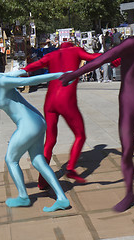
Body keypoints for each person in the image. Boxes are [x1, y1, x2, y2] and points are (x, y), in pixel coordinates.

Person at [59, 14, 134, 212]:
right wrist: (74, 74)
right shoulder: (132, 43)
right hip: (129, 102)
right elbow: (102, 59)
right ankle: (130, 193)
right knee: (127, 150)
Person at [0, 60, 70, 212]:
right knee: (38, 161)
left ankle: (23, 197)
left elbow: (29, 80)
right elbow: (13, 75)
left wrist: (61, 75)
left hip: (28, 125)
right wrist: (19, 71)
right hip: (36, 122)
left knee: (11, 159)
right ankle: (62, 198)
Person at [22, 42, 101, 189]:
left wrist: (22, 70)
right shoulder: (76, 51)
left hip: (50, 102)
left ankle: (42, 180)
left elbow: (34, 65)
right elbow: (94, 58)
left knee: (50, 140)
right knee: (80, 135)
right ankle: (70, 168)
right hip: (66, 100)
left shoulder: (51, 55)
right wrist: (115, 57)